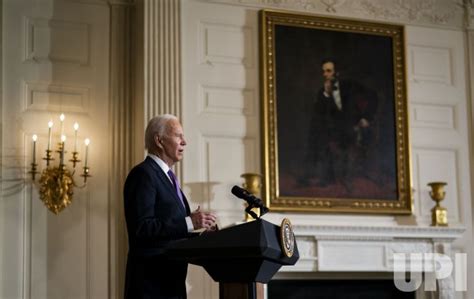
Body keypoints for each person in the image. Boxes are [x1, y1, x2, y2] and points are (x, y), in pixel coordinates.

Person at [123, 114, 217, 299]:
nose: (185, 142)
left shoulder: (168, 178)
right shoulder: (143, 174)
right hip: (150, 286)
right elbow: (142, 228)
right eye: (178, 136)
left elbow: (171, 233)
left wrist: (201, 237)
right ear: (159, 140)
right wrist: (189, 222)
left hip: (171, 284)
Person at [307, 58, 378, 190]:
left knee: (353, 139)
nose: (325, 74)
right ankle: (327, 177)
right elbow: (319, 114)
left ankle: (349, 177)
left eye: (328, 71)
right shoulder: (322, 92)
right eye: (323, 71)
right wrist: (327, 95)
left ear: (337, 73)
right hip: (334, 129)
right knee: (319, 135)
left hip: (353, 125)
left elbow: (372, 95)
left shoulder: (350, 85)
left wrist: (366, 117)